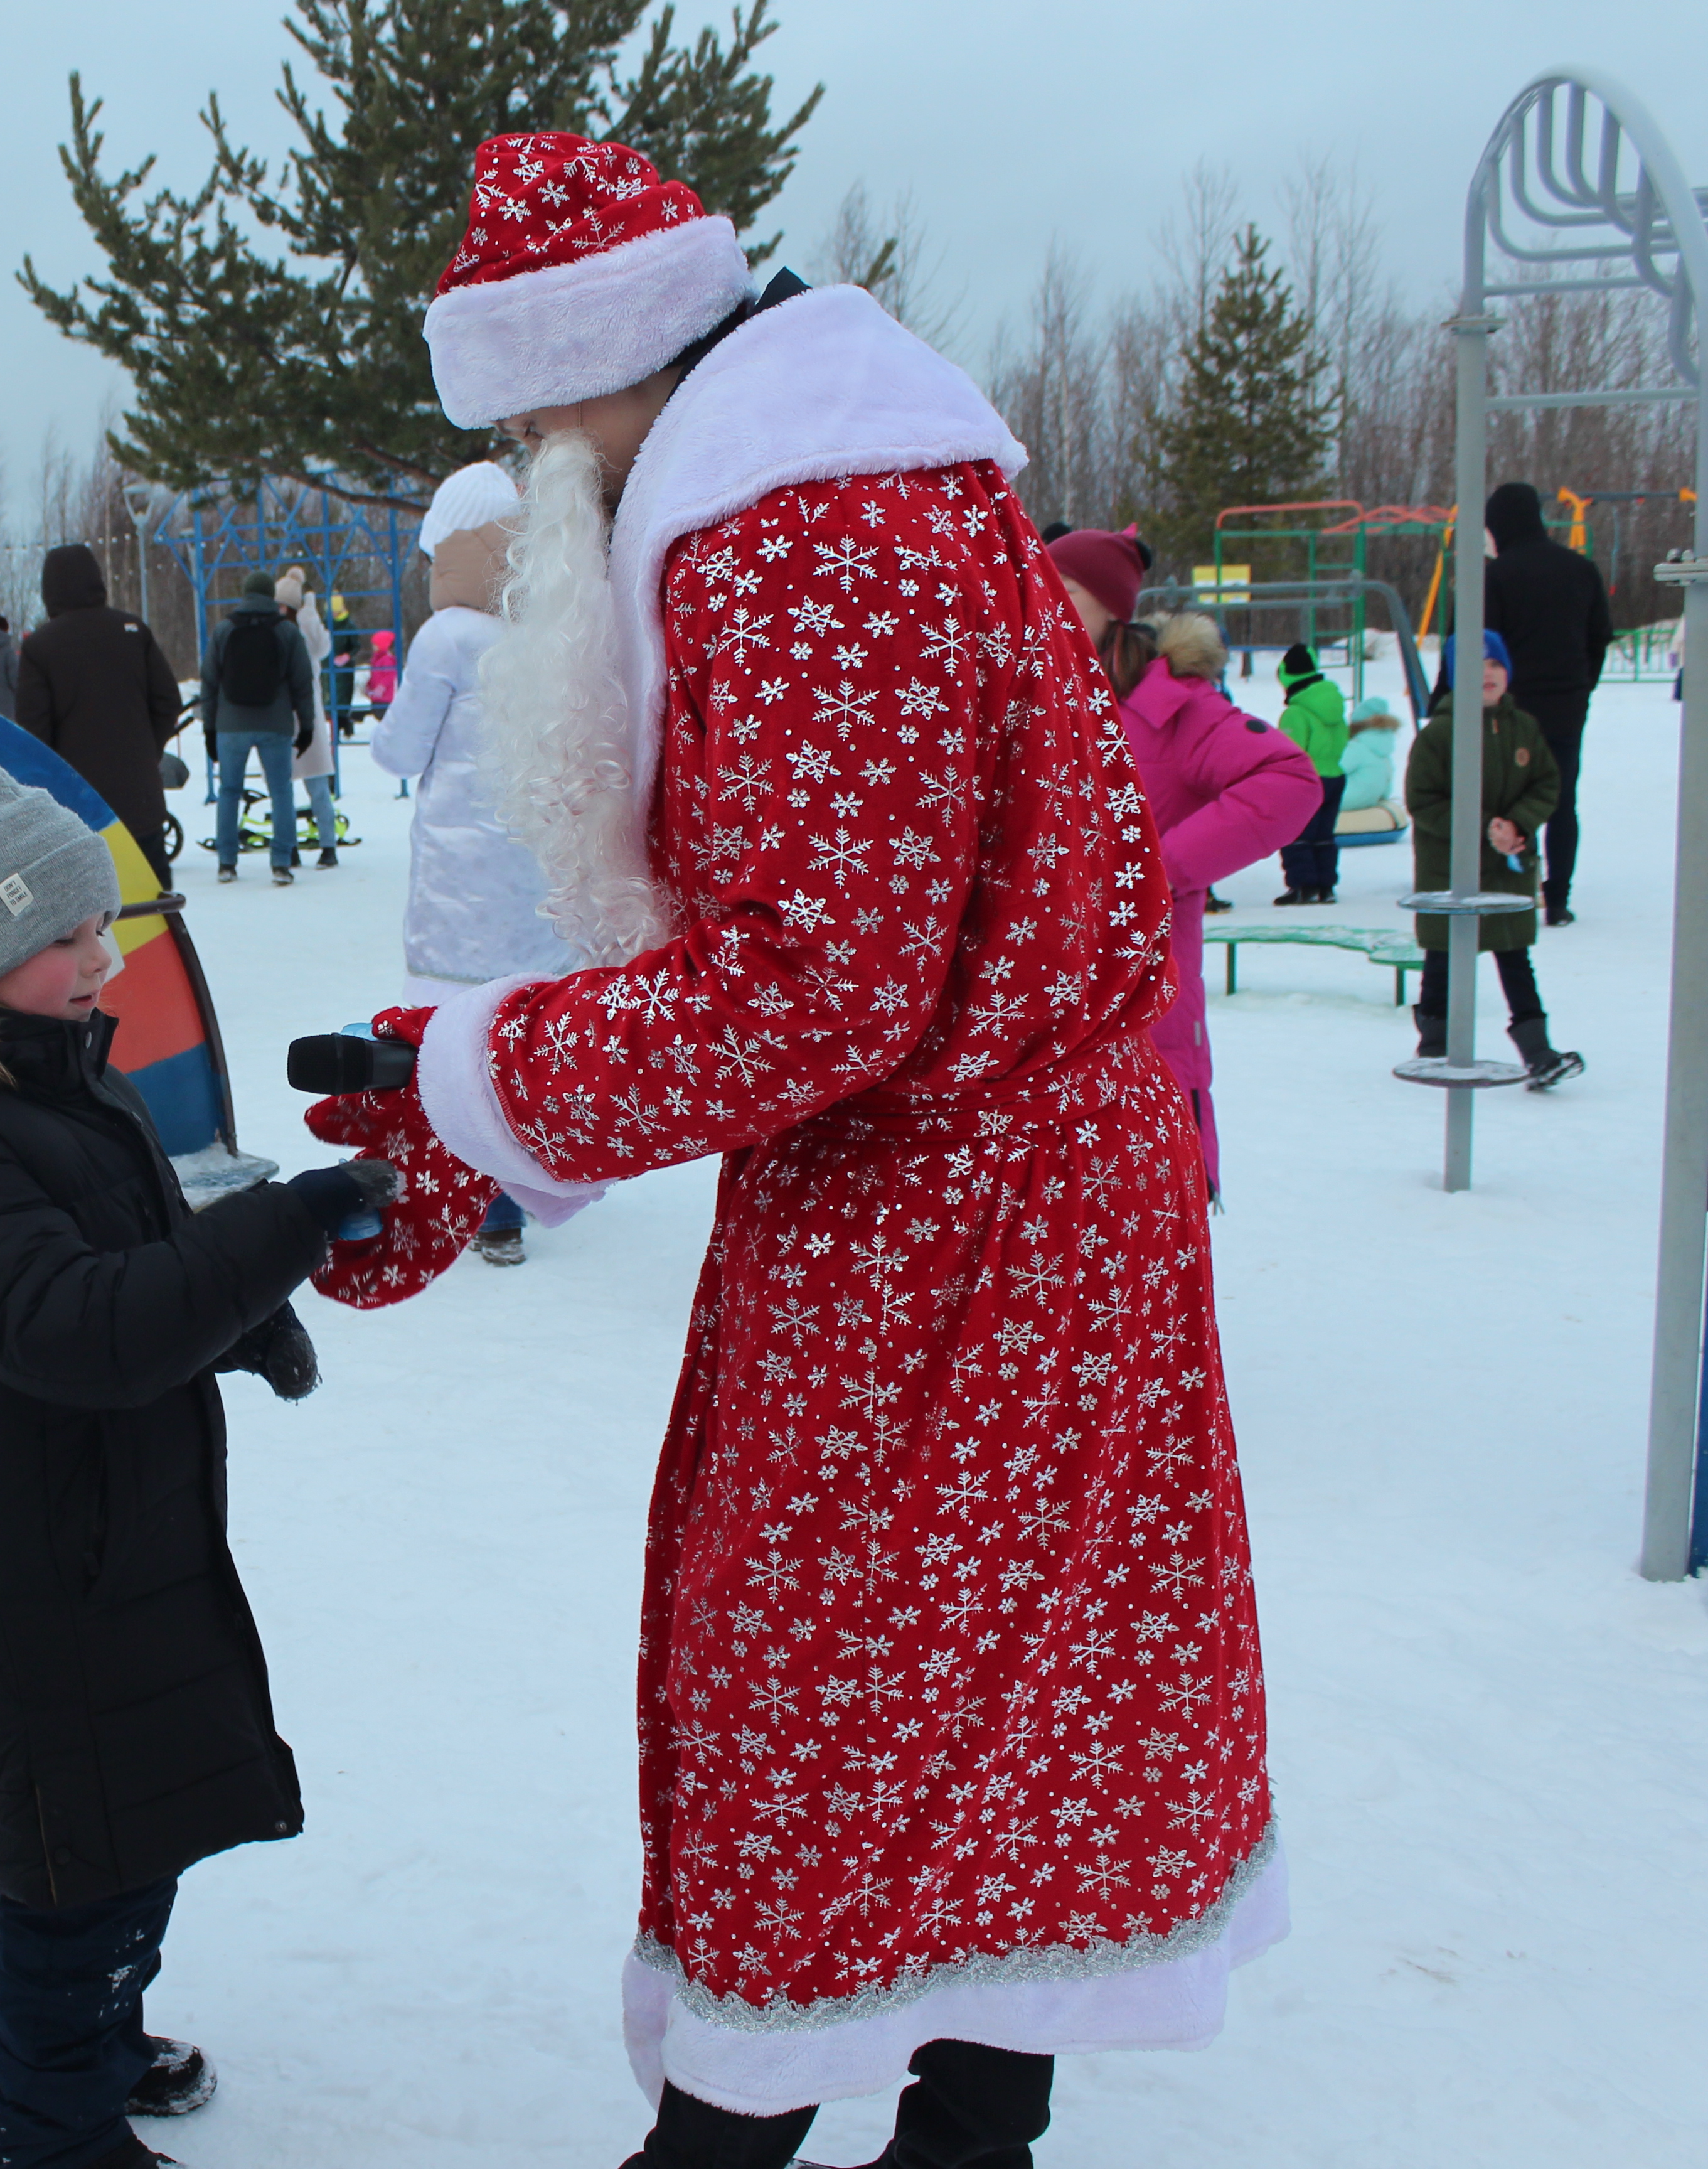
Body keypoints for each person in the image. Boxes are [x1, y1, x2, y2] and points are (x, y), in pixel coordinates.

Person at [314, 132, 1279, 2169]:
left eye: (521, 411)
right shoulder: (846, 483)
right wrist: (486, 1095)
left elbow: (813, 984)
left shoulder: (791, 523)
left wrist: (467, 1072)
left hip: (956, 1240)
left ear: (597, 370)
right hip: (1003, 1214)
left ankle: (743, 2136)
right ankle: (961, 2127)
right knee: (980, 1714)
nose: (519, 458)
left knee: (824, 1722)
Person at [0, 761, 393, 2169]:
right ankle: (44, 2126)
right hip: (27, 1582)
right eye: (71, 934)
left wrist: (237, 1328)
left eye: (101, 925)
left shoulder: (54, 1081)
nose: (104, 955)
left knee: (135, 1837)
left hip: (100, 1541)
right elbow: (81, 1330)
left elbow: (116, 1270)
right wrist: (277, 1234)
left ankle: (102, 2041)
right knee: (79, 1878)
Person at [373, 458, 569, 1268]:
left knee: (453, 1039)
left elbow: (397, 751)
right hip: (538, 875)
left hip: (460, 885)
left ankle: (475, 1200)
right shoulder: (552, 636)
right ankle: (533, 1183)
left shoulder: (447, 637)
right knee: (522, 1029)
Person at [1077, 596, 1325, 1191]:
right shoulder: (1039, 692)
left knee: (1151, 1226)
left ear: (1109, 605)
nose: (1045, 601)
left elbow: (1288, 781)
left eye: (1067, 588)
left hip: (1147, 1013)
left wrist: (1153, 871)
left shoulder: (1173, 703)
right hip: (1046, 1021)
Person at [1411, 631, 1583, 1088]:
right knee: (1443, 957)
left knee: (1514, 957)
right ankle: (1434, 1043)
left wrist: (1519, 825)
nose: (1487, 675)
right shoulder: (1440, 734)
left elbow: (1546, 784)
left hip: (1508, 868)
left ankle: (1537, 1050)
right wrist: (1486, 826)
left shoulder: (1523, 728)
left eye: (1496, 666)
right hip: (1450, 868)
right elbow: (1423, 801)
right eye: (1475, 667)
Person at [1480, 482, 1614, 926]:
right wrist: (1582, 685)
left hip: (1515, 708)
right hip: (1568, 703)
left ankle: (1519, 889)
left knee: (1514, 796)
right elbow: (1600, 638)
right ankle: (1558, 899)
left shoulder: (1497, 576)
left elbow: (1485, 644)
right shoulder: (1581, 570)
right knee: (1562, 799)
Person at [13, 542, 186, 882]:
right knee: (155, 912)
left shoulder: (40, 648)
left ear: (49, 590)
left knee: (93, 923)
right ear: (97, 580)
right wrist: (146, 751)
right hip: (141, 803)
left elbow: (34, 735)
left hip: (77, 810)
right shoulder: (133, 631)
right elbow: (168, 701)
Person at [206, 570, 313, 886]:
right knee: (281, 791)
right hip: (275, 722)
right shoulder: (287, 632)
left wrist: (210, 731)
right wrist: (306, 725)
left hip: (231, 724)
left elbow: (210, 682)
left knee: (229, 791)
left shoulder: (224, 629)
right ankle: (281, 862)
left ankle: (227, 861)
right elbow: (303, 682)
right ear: (272, 596)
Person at [1269, 642, 1350, 904]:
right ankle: (1326, 886)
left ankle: (1302, 885)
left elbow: (1290, 752)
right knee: (1324, 834)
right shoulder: (1334, 704)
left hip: (1306, 780)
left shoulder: (1296, 712)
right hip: (1335, 776)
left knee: (1296, 833)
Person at [278, 567, 344, 868]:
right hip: (285, 712)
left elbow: (322, 648)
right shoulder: (277, 629)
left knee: (315, 785)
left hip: (304, 712)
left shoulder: (303, 627)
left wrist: (309, 615)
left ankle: (327, 846)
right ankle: (293, 845)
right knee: (288, 787)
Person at [1337, 694, 1407, 838]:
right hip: (1370, 799)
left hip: (1345, 799)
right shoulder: (1384, 751)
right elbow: (1387, 781)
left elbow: (1337, 769)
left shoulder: (1357, 747)